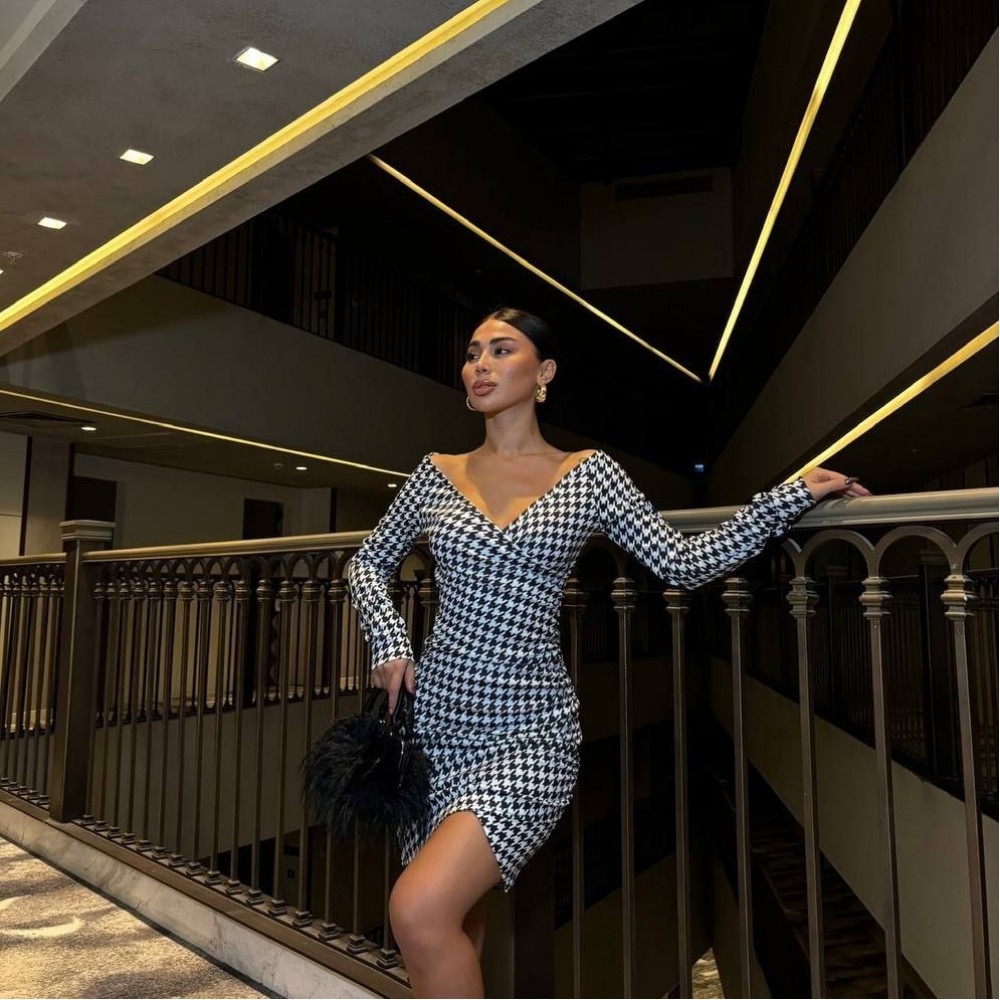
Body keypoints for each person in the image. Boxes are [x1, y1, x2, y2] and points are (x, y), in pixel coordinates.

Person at [345, 306, 871, 998]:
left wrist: (788, 498)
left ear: (544, 373)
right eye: (472, 353)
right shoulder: (435, 473)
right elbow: (367, 562)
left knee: (417, 909)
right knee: (455, 921)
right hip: (435, 727)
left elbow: (681, 561)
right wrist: (389, 642)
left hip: (529, 735)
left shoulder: (588, 475)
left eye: (501, 350)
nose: (480, 366)